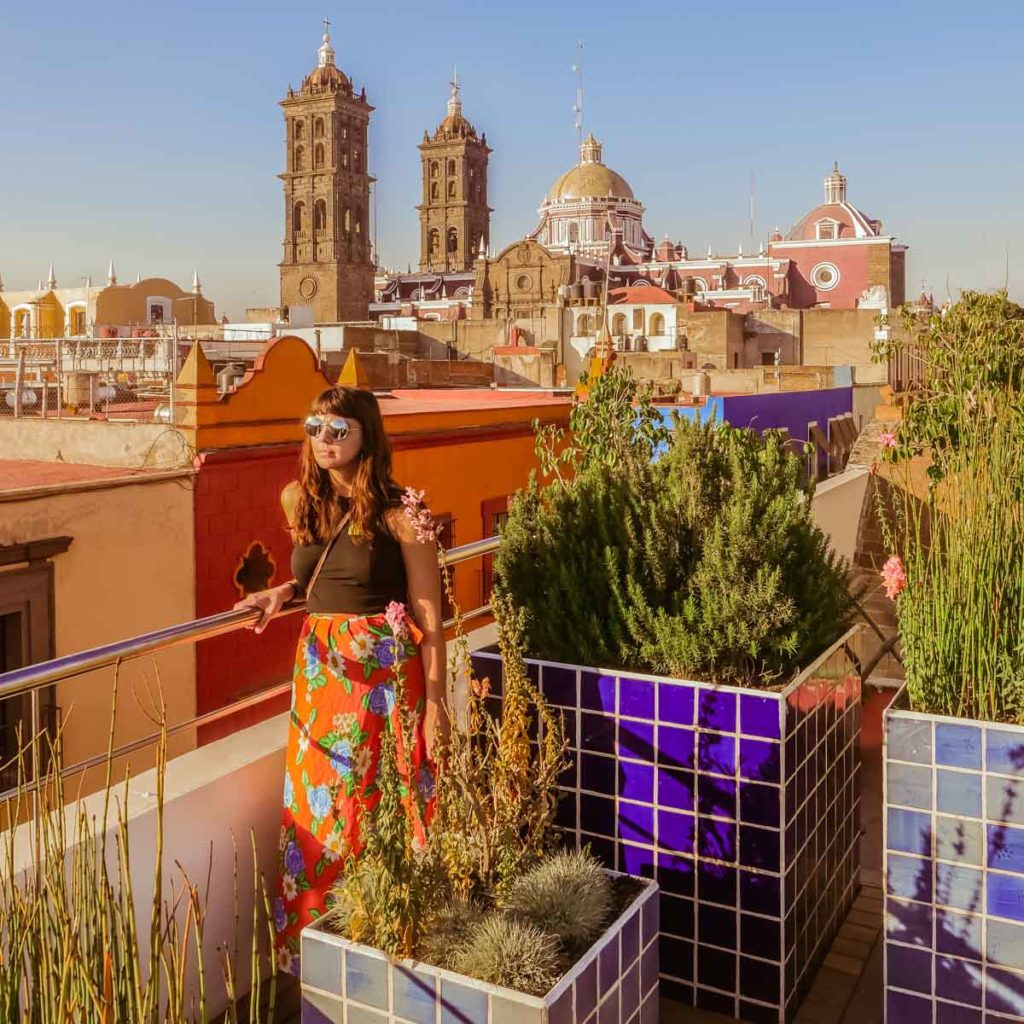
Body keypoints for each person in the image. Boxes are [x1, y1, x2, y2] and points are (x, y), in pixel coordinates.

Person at [235, 385, 448, 974]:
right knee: (320, 807)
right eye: (314, 427)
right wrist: (281, 591)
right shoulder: (297, 499)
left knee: (383, 804)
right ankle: (321, 943)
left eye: (338, 430)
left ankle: (393, 935)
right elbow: (314, 579)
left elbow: (430, 615)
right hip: (323, 675)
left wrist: (436, 702)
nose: (323, 441)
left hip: (384, 682)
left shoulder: (404, 513)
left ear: (367, 435)